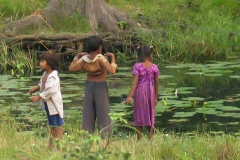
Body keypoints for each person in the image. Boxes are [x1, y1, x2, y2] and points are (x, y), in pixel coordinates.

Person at [69, 35, 117, 137]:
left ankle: (87, 135)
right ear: (100, 48)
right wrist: (112, 58)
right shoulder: (101, 59)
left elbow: (72, 68)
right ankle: (105, 136)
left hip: (89, 86)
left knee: (88, 112)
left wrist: (77, 56)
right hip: (101, 86)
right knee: (103, 113)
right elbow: (112, 70)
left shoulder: (84, 59)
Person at [29, 52, 64, 150]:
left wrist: (38, 96)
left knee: (57, 125)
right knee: (52, 125)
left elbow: (50, 90)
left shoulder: (54, 77)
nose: (40, 63)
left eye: (42, 61)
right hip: (48, 105)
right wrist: (35, 89)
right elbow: (42, 85)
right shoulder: (45, 74)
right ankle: (51, 146)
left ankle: (60, 146)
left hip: (54, 106)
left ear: (50, 63)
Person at [125, 45, 160, 141]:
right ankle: (150, 137)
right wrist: (156, 97)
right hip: (150, 92)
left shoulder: (137, 66)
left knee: (139, 114)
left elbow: (135, 83)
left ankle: (139, 138)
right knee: (150, 114)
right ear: (150, 55)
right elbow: (157, 85)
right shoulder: (155, 67)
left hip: (140, 92)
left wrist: (130, 96)